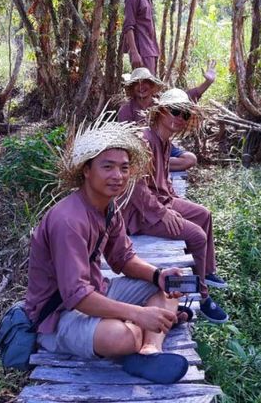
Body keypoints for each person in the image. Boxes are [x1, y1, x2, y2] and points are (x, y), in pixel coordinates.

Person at [24, 114, 190, 384]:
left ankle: (150, 350)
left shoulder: (109, 207)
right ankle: (141, 333)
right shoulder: (68, 220)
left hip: (98, 290)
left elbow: (123, 259)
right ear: (86, 170)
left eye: (124, 168)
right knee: (123, 336)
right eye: (108, 167)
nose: (118, 176)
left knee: (171, 284)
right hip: (58, 316)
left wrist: (159, 275)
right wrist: (137, 314)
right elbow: (76, 297)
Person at [124, 89, 229, 324]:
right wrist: (162, 212)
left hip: (162, 199)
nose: (180, 118)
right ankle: (202, 296)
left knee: (204, 214)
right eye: (175, 111)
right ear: (161, 112)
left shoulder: (164, 142)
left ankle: (207, 271)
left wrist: (170, 202)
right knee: (197, 236)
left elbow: (161, 181)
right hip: (142, 213)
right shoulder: (144, 141)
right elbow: (136, 188)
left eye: (184, 114)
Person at [117, 61, 218, 171]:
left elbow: (188, 97)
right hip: (140, 149)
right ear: (132, 88)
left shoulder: (162, 101)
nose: (141, 87)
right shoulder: (127, 108)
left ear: (152, 86)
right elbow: (125, 136)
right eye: (137, 83)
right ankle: (154, 164)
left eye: (145, 82)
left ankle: (157, 163)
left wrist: (208, 82)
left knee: (190, 159)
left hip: (163, 146)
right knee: (137, 159)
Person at [123, 0, 165, 75]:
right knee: (143, 88)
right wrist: (135, 53)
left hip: (151, 49)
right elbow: (128, 26)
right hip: (142, 50)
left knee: (151, 88)